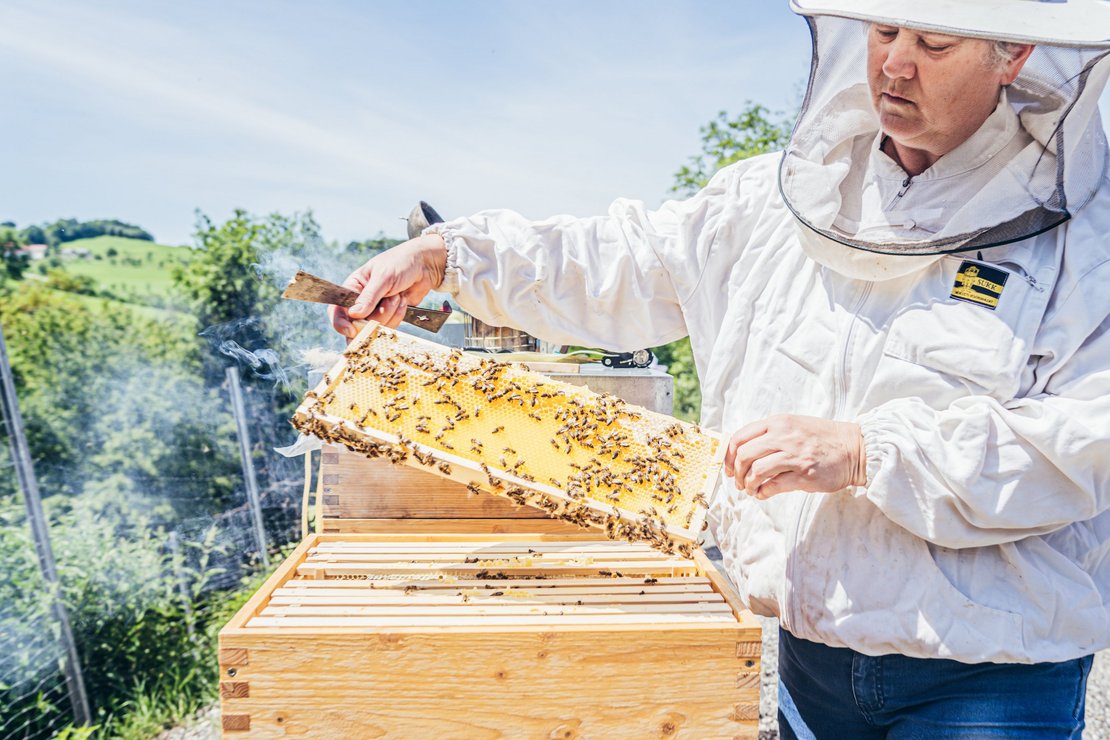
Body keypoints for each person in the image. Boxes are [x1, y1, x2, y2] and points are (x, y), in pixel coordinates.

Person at [331, 1, 1110, 735]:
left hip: (992, 676)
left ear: (1014, 55)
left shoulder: (1086, 234)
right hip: (811, 657)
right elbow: (623, 260)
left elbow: (1087, 440)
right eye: (882, 35)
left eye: (933, 44)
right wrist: (450, 257)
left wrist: (868, 451)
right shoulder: (773, 199)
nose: (895, 67)